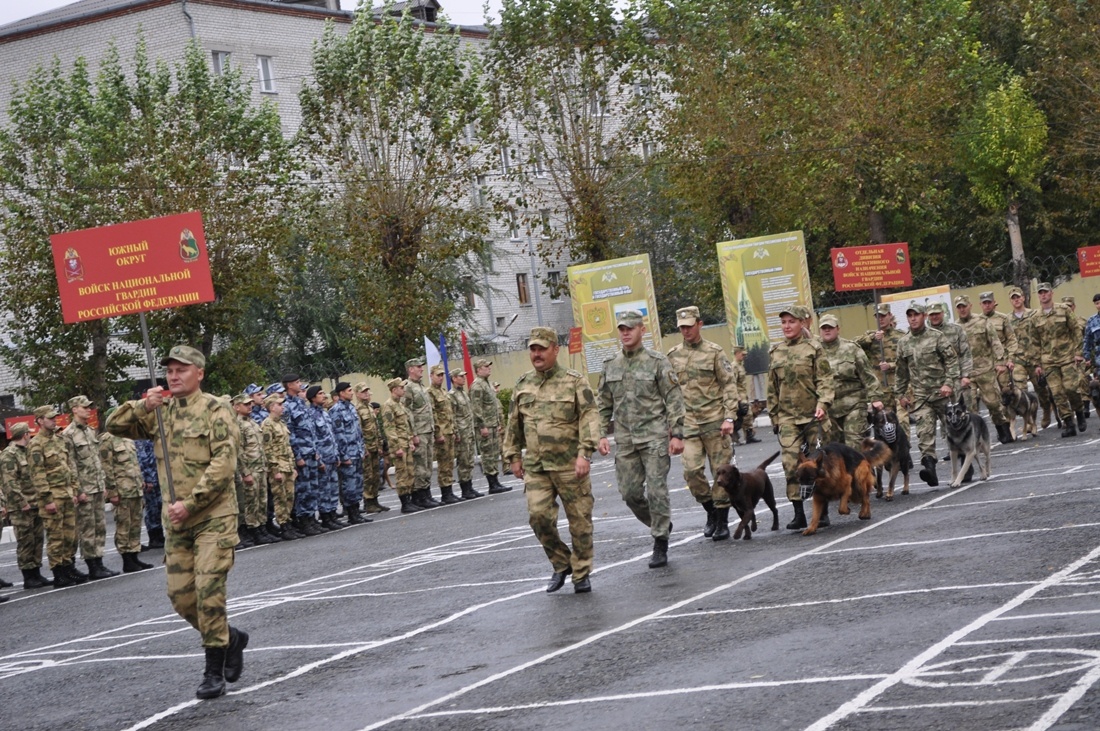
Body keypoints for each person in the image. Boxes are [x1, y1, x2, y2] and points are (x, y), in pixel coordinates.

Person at [106, 344, 248, 700]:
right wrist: (143, 404)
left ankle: (213, 670)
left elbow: (223, 466)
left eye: (181, 369)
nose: (173, 375)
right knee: (181, 598)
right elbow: (112, 425)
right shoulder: (160, 411)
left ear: (199, 373)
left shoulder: (217, 409)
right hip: (176, 520)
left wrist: (192, 503)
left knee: (208, 593)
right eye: (169, 369)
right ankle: (231, 639)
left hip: (213, 515)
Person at [505, 327, 599, 594]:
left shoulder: (574, 381)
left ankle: (581, 573)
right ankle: (561, 563)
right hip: (536, 466)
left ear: (555, 350)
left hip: (571, 465)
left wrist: (585, 453)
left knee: (580, 520)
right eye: (533, 349)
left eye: (542, 348)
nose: (536, 354)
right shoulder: (523, 384)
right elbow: (513, 423)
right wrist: (513, 455)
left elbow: (590, 417)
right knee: (538, 517)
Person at [597, 310, 684, 568]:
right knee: (630, 494)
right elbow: (603, 403)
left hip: (655, 437)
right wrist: (601, 433)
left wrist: (677, 433)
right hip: (625, 440)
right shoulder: (610, 365)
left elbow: (674, 398)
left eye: (630, 328)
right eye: (622, 329)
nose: (625, 333)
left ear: (641, 330)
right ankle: (661, 522)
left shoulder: (657, 362)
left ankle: (660, 540)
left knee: (657, 491)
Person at [666, 305, 740, 541]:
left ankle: (722, 520)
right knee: (691, 471)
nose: (685, 331)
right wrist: (671, 426)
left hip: (715, 422)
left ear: (699, 324)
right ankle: (710, 510)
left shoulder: (715, 352)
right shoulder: (672, 355)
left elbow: (729, 384)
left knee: (721, 473)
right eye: (681, 327)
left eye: (689, 326)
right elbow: (669, 393)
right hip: (688, 425)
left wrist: (730, 417)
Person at [766, 305, 834, 530]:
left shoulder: (814, 348)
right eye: (784, 322)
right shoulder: (775, 351)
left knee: (817, 464)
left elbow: (825, 379)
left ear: (802, 323)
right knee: (789, 463)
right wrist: (774, 417)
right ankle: (798, 512)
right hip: (787, 418)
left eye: (791, 322)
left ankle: (822, 511)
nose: (787, 326)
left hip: (813, 415)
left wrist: (823, 404)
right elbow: (772, 388)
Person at [895, 302, 960, 486]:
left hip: (943, 393)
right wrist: (900, 394)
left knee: (952, 431)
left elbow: (952, 361)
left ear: (924, 316)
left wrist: (949, 383)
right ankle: (929, 468)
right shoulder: (903, 343)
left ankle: (964, 465)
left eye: (916, 315)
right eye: (910, 315)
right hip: (921, 397)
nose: (913, 318)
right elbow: (901, 372)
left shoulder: (937, 337)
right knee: (924, 433)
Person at [29, 405, 87, 587]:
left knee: (71, 535)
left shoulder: (59, 440)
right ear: (39, 420)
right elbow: (38, 475)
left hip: (67, 494)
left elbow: (69, 467)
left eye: (55, 417)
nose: (54, 420)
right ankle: (58, 572)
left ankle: (69, 566)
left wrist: (75, 490)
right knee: (56, 537)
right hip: (53, 497)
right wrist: (47, 500)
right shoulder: (36, 444)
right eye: (50, 418)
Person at [63, 395, 117, 579]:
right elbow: (71, 465)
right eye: (84, 407)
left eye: (89, 407)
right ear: (74, 409)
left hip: (96, 486)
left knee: (100, 526)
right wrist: (78, 490)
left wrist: (102, 484)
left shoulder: (90, 431)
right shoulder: (69, 434)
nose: (88, 410)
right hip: (85, 488)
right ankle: (92, 565)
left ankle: (99, 562)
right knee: (87, 529)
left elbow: (96, 461)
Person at [98, 413, 155, 572]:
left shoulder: (128, 438)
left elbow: (134, 462)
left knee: (135, 523)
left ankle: (135, 556)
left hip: (135, 487)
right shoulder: (107, 440)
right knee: (124, 524)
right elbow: (106, 468)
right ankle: (127, 559)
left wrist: (141, 480)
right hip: (122, 490)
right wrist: (112, 491)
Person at [819, 313, 883, 446]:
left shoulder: (851, 348)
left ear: (838, 329)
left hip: (853, 405)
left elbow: (868, 375)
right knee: (833, 451)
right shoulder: (815, 352)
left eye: (830, 327)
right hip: (829, 409)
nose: (827, 330)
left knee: (854, 445)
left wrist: (875, 398)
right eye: (824, 328)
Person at [1031, 283, 1086, 436]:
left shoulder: (1064, 310)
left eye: (1046, 292)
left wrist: (1078, 352)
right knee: (1057, 393)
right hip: (1049, 361)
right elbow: (1034, 342)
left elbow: (1076, 330)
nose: (1043, 295)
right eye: (1040, 293)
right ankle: (1069, 423)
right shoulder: (1035, 317)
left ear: (1051, 293)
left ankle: (1079, 411)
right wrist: (1037, 364)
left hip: (1067, 356)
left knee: (1071, 388)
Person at [0, 422, 51, 588]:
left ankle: (36, 572)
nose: (30, 435)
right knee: (26, 540)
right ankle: (28, 576)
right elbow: (10, 482)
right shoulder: (9, 454)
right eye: (28, 433)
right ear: (24, 435)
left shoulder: (28, 451)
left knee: (37, 539)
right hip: (21, 506)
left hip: (35, 502)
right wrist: (22, 502)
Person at [956, 295, 1012, 443]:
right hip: (967, 374)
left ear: (970, 306)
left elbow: (995, 342)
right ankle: (976, 438)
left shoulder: (982, 322)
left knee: (994, 404)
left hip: (985, 370)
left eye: (964, 306)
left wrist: (1001, 362)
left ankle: (1002, 428)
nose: (962, 309)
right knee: (970, 408)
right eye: (959, 307)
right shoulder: (955, 328)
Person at [231, 394, 276, 544]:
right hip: (250, 469)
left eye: (250, 404)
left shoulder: (253, 422)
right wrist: (245, 472)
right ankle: (252, 529)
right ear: (237, 407)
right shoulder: (237, 425)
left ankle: (262, 526)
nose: (250, 406)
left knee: (261, 500)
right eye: (246, 404)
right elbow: (239, 451)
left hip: (260, 467)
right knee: (250, 501)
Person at [1009, 287, 1054, 428]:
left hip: (1035, 358)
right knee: (1020, 390)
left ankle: (1046, 410)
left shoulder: (1034, 315)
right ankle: (1028, 421)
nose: (1016, 300)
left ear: (1023, 298)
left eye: (1018, 297)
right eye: (1013, 298)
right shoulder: (1008, 320)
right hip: (1018, 359)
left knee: (1041, 390)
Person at [283, 374, 322, 536]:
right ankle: (303, 521)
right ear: (289, 385)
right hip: (301, 454)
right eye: (297, 382)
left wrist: (316, 450)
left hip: (310, 452)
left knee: (312, 488)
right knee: (303, 490)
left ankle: (311, 518)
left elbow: (310, 429)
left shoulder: (301, 403)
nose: (300, 384)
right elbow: (290, 433)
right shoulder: (287, 406)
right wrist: (297, 456)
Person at [856, 303, 907, 424]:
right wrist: (872, 338)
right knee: (885, 424)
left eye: (883, 316)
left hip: (899, 386)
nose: (881, 319)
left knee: (903, 421)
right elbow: (854, 345)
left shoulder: (901, 336)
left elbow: (908, 361)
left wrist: (891, 366)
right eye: (877, 316)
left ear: (890, 315)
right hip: (881, 389)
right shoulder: (870, 336)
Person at [261, 393, 301, 540]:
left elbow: (287, 447)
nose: (282, 407)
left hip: (288, 466)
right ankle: (283, 525)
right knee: (280, 498)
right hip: (278, 467)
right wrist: (274, 470)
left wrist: (293, 467)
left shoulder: (281, 423)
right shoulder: (267, 424)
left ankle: (288, 523)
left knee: (290, 497)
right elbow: (267, 449)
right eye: (279, 405)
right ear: (272, 407)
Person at [403, 357, 441, 509]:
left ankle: (426, 493)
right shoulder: (408, 387)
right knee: (419, 465)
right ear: (410, 369)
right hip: (419, 431)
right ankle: (419, 496)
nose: (421, 369)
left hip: (427, 430)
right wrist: (413, 434)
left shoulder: (421, 386)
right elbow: (407, 411)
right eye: (418, 367)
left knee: (427, 464)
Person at [330, 381, 370, 524]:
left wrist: (362, 448)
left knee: (358, 483)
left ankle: (357, 511)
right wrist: (343, 455)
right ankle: (351, 513)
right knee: (349, 485)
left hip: (356, 452)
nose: (351, 393)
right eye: (349, 391)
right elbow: (338, 435)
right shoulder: (336, 411)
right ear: (341, 393)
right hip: (347, 454)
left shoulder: (352, 408)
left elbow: (358, 431)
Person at [307, 384, 344, 528]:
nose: (324, 396)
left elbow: (331, 436)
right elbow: (313, 438)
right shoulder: (311, 415)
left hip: (331, 457)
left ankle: (332, 515)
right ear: (313, 398)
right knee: (323, 490)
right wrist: (318, 459)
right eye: (320, 393)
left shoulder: (324, 413)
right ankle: (326, 518)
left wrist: (336, 455)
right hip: (322, 458)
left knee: (332, 488)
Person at [471, 358, 510, 494]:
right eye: (486, 366)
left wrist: (498, 424)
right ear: (478, 370)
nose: (489, 368)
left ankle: (496, 481)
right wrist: (482, 426)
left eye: (489, 366)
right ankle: (492, 483)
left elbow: (493, 407)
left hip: (492, 424)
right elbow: (476, 408)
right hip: (485, 426)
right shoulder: (477, 385)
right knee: (487, 454)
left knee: (493, 454)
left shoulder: (486, 384)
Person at [381, 377, 419, 513]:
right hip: (398, 446)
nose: (403, 390)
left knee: (409, 472)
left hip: (405, 443)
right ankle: (404, 502)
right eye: (401, 388)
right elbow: (390, 429)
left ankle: (409, 500)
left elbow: (405, 426)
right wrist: (396, 447)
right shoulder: (388, 405)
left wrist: (409, 442)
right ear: (394, 389)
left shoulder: (400, 404)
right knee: (402, 473)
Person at [428, 365, 463, 504]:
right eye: (438, 375)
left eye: (442, 375)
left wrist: (454, 430)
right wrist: (438, 433)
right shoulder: (430, 392)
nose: (441, 378)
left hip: (449, 431)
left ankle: (449, 490)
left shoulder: (443, 392)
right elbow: (433, 414)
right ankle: (445, 492)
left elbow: (450, 414)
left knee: (449, 462)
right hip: (441, 432)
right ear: (431, 376)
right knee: (443, 463)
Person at [354, 384, 390, 513]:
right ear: (357, 394)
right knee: (368, 476)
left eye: (368, 391)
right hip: (367, 448)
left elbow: (376, 428)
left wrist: (380, 444)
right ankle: (368, 503)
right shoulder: (357, 409)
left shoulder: (369, 407)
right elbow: (358, 431)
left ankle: (375, 500)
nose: (367, 394)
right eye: (363, 392)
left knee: (376, 475)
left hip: (375, 447)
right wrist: (364, 448)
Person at [449, 370, 484, 500]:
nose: (464, 378)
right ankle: (465, 488)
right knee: (463, 460)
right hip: (461, 432)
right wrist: (456, 432)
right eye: (461, 376)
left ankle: (469, 486)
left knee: (469, 460)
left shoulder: (463, 393)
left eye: (464, 376)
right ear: (454, 378)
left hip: (468, 430)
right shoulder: (452, 395)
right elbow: (452, 416)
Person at [137, 439, 165, 550]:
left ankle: (160, 535)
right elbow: (142, 459)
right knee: (152, 508)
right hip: (150, 478)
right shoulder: (141, 439)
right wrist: (147, 479)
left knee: (159, 506)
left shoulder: (152, 437)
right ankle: (154, 537)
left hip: (158, 476)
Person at [730, 346, 760, 444]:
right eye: (742, 354)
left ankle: (748, 435)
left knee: (747, 415)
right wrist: (737, 397)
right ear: (737, 353)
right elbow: (732, 383)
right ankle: (735, 433)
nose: (744, 356)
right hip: (739, 395)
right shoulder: (734, 366)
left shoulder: (740, 365)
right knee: (745, 415)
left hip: (743, 394)